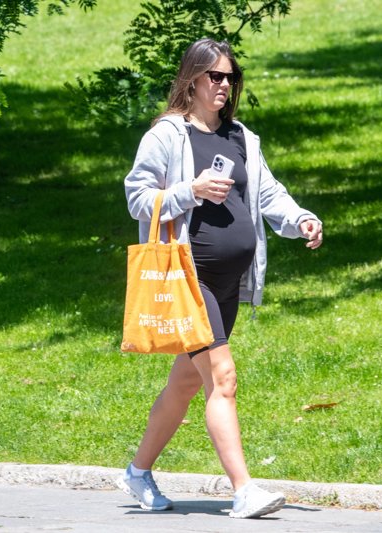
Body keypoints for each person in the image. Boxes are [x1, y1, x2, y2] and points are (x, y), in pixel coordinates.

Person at [121, 37, 323, 519]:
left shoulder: (241, 137)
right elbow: (137, 198)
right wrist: (189, 191)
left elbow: (269, 194)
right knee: (223, 378)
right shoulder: (166, 136)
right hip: (190, 279)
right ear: (192, 80)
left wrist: (300, 219)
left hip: (231, 282)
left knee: (184, 385)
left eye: (231, 77)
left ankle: (137, 472)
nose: (225, 85)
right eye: (215, 76)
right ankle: (244, 490)